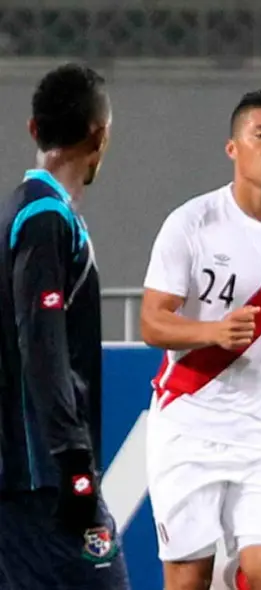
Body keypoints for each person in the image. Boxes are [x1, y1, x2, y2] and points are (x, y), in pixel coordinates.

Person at [139, 89, 261, 589]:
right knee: (187, 581)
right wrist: (212, 331)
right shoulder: (192, 224)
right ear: (234, 149)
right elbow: (151, 323)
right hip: (188, 426)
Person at [0, 63, 129, 588]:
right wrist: (74, 462)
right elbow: (44, 345)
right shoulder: (45, 219)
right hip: (43, 479)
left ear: (34, 129)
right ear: (101, 135)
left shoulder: (20, 210)